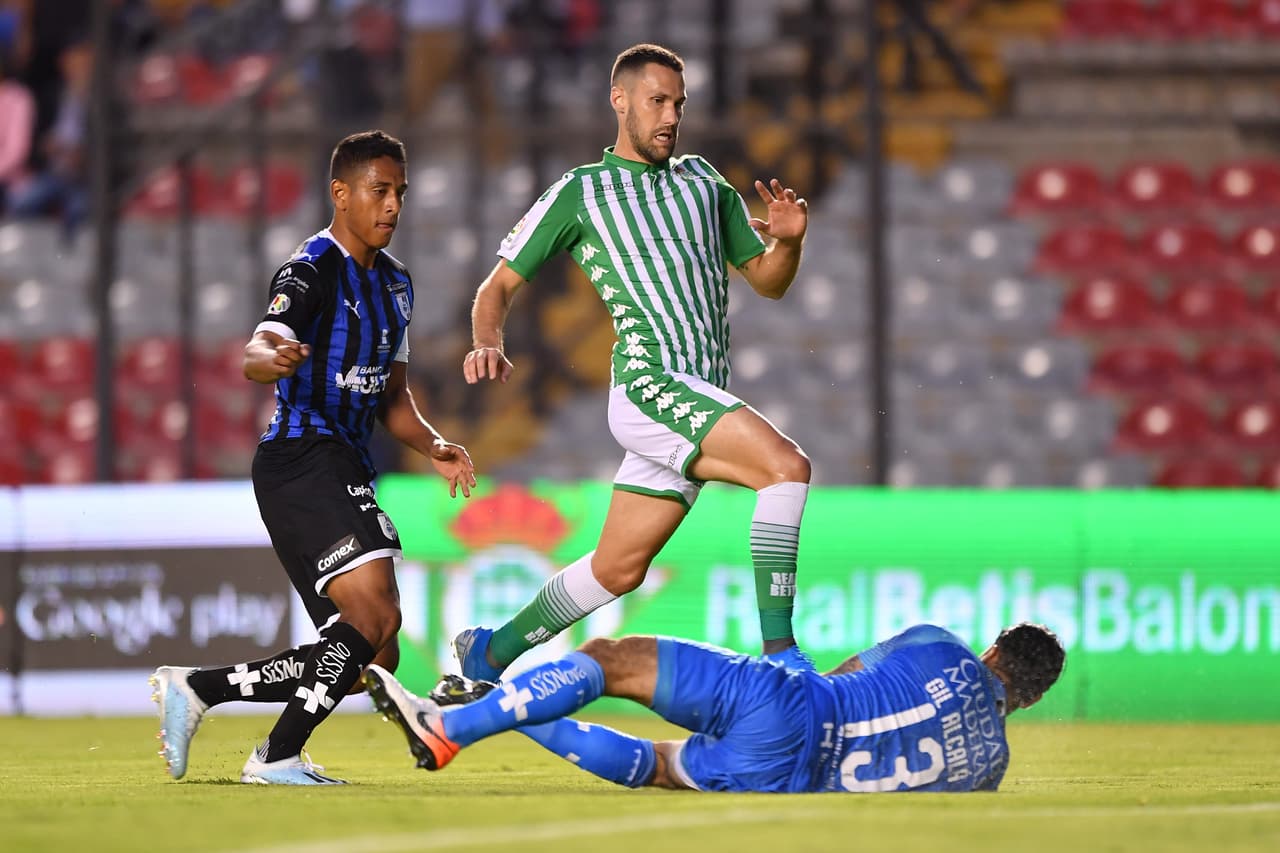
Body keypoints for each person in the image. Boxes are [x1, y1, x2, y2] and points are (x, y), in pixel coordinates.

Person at [457, 43, 813, 682]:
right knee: (786, 468)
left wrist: (788, 243)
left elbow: (768, 280)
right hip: (651, 386)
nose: (670, 116)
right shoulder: (581, 192)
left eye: (678, 103)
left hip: (696, 394)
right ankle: (784, 662)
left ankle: (488, 653)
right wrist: (488, 340)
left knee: (618, 569)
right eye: (657, 101)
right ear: (619, 100)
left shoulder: (706, 182)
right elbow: (498, 287)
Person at [149, 130, 477, 786]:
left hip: (345, 463)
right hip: (302, 457)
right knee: (374, 615)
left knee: (370, 651)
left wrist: (433, 442)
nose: (392, 206)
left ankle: (201, 688)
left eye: (400, 193)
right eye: (379, 191)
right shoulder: (311, 270)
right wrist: (270, 358)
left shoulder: (397, 286)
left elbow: (393, 397)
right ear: (341, 193)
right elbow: (258, 348)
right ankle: (276, 756)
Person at [364, 621, 1066, 793]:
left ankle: (452, 725)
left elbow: (845, 671)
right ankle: (486, 704)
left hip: (793, 705)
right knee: (656, 766)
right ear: (1029, 699)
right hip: (788, 779)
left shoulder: (943, 648)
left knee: (612, 659)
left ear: (996, 651)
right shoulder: (990, 770)